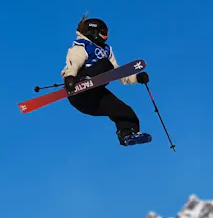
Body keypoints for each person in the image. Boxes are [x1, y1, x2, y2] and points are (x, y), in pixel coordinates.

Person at [62, 16, 151, 146]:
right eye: (103, 32)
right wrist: (70, 77)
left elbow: (117, 72)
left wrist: (136, 78)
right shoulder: (83, 46)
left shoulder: (106, 50)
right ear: (93, 31)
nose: (106, 36)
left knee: (124, 110)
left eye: (107, 33)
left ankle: (127, 133)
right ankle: (84, 81)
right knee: (105, 64)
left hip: (95, 97)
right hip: (79, 93)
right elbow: (73, 64)